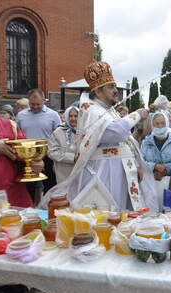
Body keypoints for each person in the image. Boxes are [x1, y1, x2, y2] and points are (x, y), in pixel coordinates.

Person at [42, 61, 157, 212]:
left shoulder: (109, 110)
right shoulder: (91, 110)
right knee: (107, 216)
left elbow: (125, 140)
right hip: (104, 174)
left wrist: (135, 165)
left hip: (120, 171)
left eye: (115, 86)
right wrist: (137, 115)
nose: (116, 90)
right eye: (111, 87)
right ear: (97, 92)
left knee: (122, 216)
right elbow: (115, 132)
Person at [16, 89, 61, 201]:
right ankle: (29, 209)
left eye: (38, 104)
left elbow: (59, 137)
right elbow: (16, 135)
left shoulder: (53, 115)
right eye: (32, 104)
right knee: (28, 187)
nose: (35, 106)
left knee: (50, 185)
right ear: (28, 101)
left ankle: (48, 210)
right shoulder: (21, 115)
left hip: (47, 156)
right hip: (27, 158)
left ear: (44, 101)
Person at [140, 112, 171, 209]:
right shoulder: (146, 143)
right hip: (150, 183)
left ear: (167, 124)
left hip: (169, 184)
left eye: (162, 123)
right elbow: (141, 162)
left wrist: (166, 169)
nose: (160, 126)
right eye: (156, 124)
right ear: (152, 126)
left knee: (168, 215)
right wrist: (154, 167)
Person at [47, 105, 79, 183]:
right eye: (70, 116)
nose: (73, 118)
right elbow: (52, 152)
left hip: (80, 173)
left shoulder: (85, 131)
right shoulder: (58, 132)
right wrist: (72, 158)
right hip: (64, 173)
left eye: (76, 116)